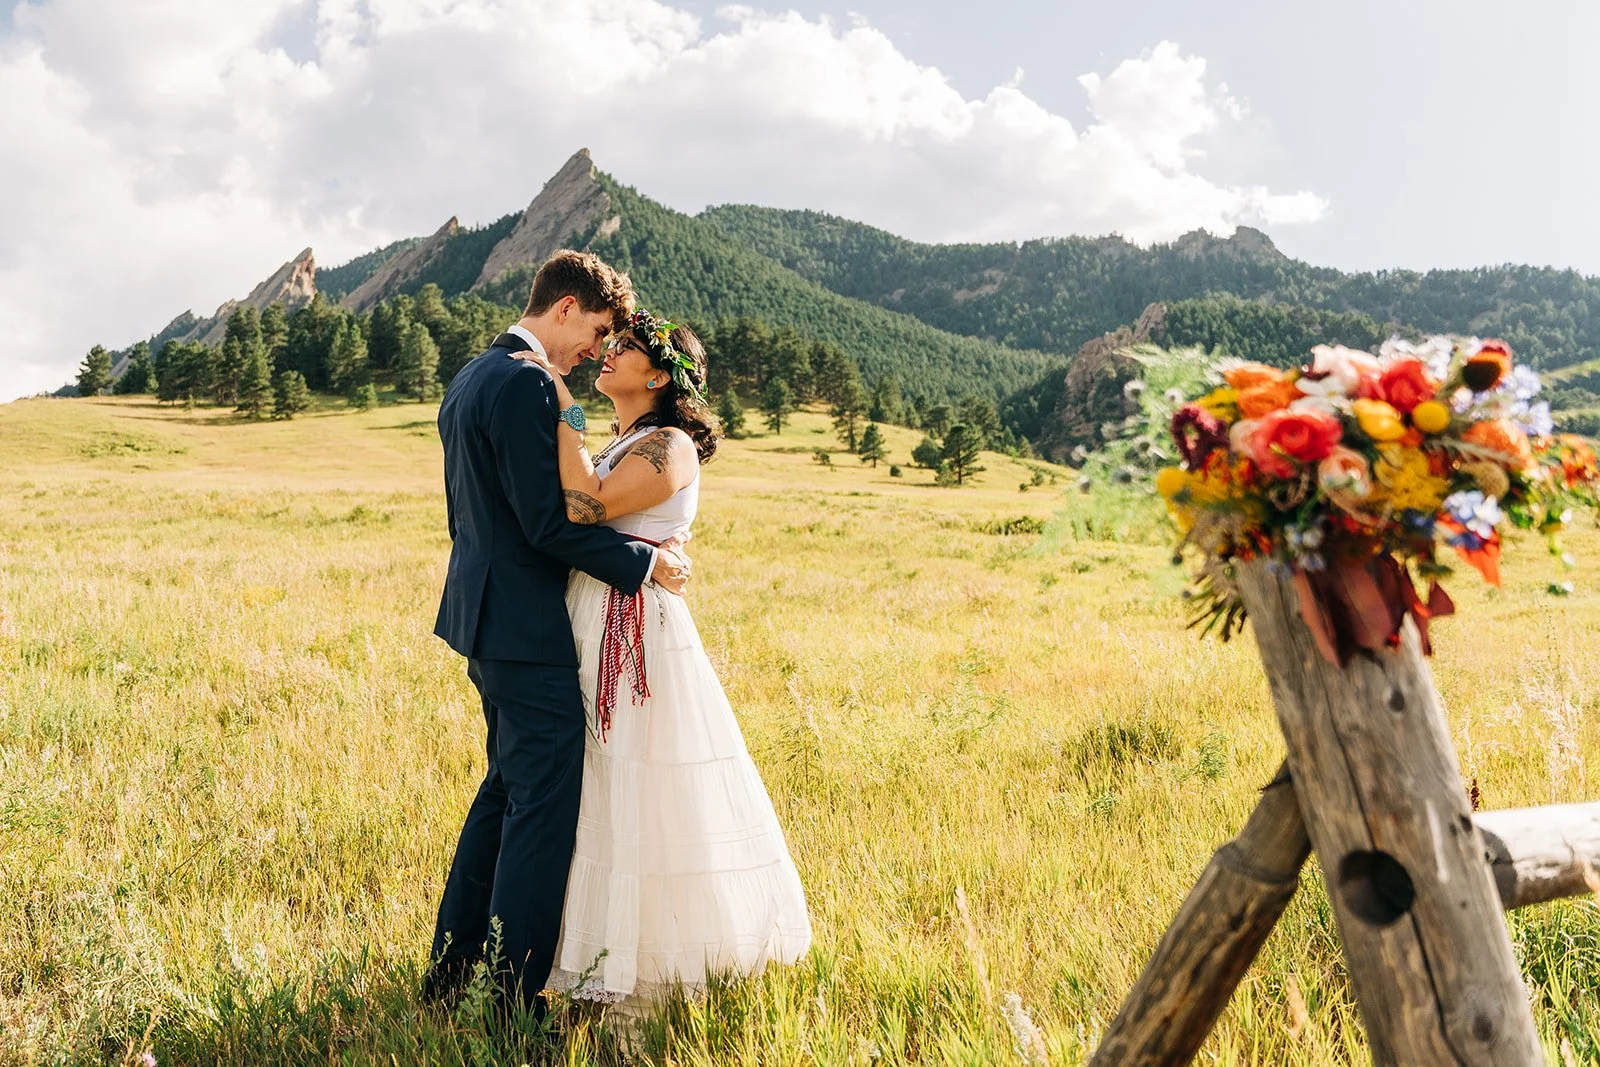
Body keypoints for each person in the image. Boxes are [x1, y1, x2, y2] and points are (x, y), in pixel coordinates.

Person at [518, 308, 811, 1017]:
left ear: (658, 374)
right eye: (608, 341)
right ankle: (582, 948)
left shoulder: (670, 444)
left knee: (636, 785)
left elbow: (585, 504)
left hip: (636, 634)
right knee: (590, 787)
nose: (608, 351)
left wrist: (565, 409)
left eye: (625, 347)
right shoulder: (630, 441)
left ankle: (642, 964)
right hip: (595, 613)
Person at [425, 251, 692, 1014]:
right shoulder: (529, 382)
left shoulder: (473, 376)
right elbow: (548, 523)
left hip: (484, 618)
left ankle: (448, 978)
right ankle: (510, 1005)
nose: (596, 349)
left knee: (502, 796)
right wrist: (644, 567)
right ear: (566, 308)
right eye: (598, 330)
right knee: (540, 817)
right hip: (528, 626)